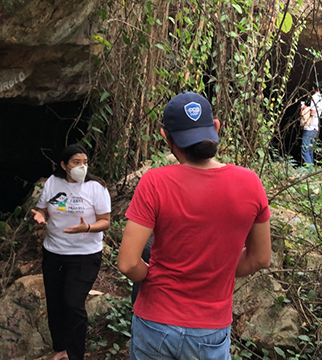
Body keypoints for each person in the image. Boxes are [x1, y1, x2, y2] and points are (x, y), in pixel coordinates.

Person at [117, 91, 272, 360]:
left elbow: (129, 263)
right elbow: (260, 258)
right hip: (209, 329)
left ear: (166, 137)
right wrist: (217, 271)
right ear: (216, 128)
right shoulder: (250, 183)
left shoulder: (155, 183)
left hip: (156, 321)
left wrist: (150, 275)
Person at [31, 144, 111, 360]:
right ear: (64, 165)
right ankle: (61, 349)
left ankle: (76, 355)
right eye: (76, 162)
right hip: (54, 253)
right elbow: (42, 208)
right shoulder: (52, 182)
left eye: (85, 162)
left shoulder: (96, 187)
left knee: (73, 303)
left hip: (85, 255)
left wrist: (87, 227)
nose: (81, 167)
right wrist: (40, 217)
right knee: (55, 302)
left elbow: (105, 221)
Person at [301, 85, 322, 166]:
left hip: (310, 127)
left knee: (305, 150)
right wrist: (308, 107)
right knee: (310, 150)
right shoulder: (321, 98)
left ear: (313, 88)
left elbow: (313, 112)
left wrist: (304, 110)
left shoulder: (314, 96)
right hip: (316, 127)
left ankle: (309, 171)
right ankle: (312, 170)